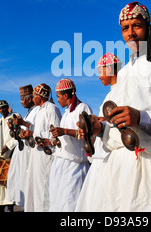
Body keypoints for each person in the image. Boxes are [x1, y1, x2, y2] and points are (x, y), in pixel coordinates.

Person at [78, 2, 151, 211]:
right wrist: (99, 129)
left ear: (148, 27)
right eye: (125, 29)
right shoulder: (125, 72)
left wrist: (142, 119)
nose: (131, 33)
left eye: (136, 26)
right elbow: (117, 123)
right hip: (118, 164)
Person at [75, 53, 121, 211]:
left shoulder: (122, 91)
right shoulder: (109, 94)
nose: (99, 76)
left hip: (114, 157)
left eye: (100, 71)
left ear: (109, 69)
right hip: (102, 157)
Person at [48, 78, 92, 211]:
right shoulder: (67, 112)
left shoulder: (82, 108)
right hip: (61, 162)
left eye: (58, 96)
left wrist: (64, 131)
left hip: (75, 164)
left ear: (66, 95)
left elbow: (88, 133)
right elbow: (65, 138)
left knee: (71, 201)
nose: (57, 100)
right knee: (58, 200)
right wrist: (54, 139)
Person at [24, 83, 61, 212]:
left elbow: (56, 133)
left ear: (41, 96)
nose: (33, 98)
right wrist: (31, 134)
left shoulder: (51, 109)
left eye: (34, 95)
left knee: (44, 187)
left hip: (46, 155)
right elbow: (38, 131)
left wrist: (48, 141)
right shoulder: (40, 110)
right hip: (36, 155)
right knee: (35, 186)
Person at [6, 84, 40, 210]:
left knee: (29, 182)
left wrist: (22, 124)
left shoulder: (38, 112)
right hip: (22, 152)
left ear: (29, 99)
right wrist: (15, 128)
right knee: (20, 180)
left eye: (22, 99)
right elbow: (22, 132)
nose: (20, 102)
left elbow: (38, 131)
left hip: (30, 153)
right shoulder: (29, 113)